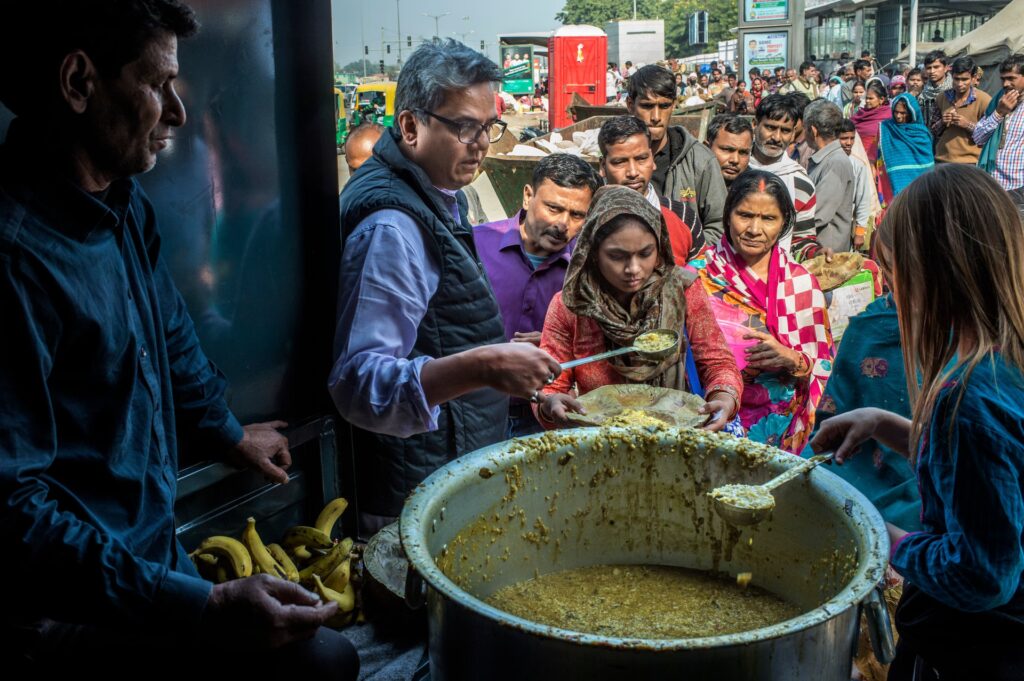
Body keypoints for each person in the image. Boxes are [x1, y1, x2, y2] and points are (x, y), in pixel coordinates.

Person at [0, 1, 359, 675]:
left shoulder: (123, 204)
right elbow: (15, 516)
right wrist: (197, 605)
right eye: (159, 84)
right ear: (80, 82)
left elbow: (169, 332)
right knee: (325, 665)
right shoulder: (16, 258)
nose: (179, 113)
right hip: (72, 610)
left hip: (148, 561)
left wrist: (226, 429)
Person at [331, 41, 562, 534]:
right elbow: (359, 382)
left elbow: (440, 326)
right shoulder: (392, 225)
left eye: (488, 127)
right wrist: (484, 364)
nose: (480, 143)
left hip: (442, 475)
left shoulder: (437, 196)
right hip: (411, 499)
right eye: (463, 126)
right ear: (412, 127)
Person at [811, 164, 1024, 680]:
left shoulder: (970, 398)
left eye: (895, 272)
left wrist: (883, 536)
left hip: (976, 649)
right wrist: (887, 423)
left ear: (933, 273)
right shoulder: (1005, 359)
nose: (891, 292)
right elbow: (993, 474)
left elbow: (982, 575)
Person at [534, 185, 742, 431]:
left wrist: (724, 398)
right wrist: (549, 403)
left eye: (645, 253)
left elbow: (717, 361)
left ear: (660, 246)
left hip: (676, 437)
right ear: (592, 253)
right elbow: (550, 384)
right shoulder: (571, 305)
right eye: (617, 256)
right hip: (603, 443)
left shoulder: (682, 290)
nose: (633, 269)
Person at [700, 170, 834, 453]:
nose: (754, 229)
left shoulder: (801, 285)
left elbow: (825, 366)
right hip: (714, 416)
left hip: (782, 428)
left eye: (768, 218)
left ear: (784, 223)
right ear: (727, 215)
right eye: (745, 215)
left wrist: (792, 358)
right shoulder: (699, 276)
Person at [474, 154, 599, 438]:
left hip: (547, 413)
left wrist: (551, 340)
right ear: (528, 196)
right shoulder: (475, 245)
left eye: (577, 215)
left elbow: (598, 340)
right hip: (475, 410)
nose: (563, 224)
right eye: (553, 208)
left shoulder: (588, 268)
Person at [627, 65, 728, 242]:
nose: (656, 116)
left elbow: (720, 225)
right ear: (630, 105)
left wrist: (684, 253)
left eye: (664, 106)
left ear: (673, 106)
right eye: (647, 106)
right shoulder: (617, 160)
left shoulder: (700, 161)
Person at [597, 115, 704, 265]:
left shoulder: (683, 217)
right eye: (620, 162)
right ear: (602, 166)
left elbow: (701, 277)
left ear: (652, 160)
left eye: (641, 159)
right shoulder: (588, 220)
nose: (633, 172)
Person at [748, 94, 821, 258]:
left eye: (785, 131)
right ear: (755, 124)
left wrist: (814, 253)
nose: (776, 137)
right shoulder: (735, 170)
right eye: (770, 127)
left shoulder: (801, 184)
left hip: (777, 275)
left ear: (794, 133)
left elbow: (801, 238)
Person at [804, 99, 856, 252]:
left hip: (828, 253)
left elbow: (818, 214)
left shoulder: (835, 162)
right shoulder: (825, 159)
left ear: (813, 131)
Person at [975, 53, 1024, 191]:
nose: (1005, 84)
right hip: (993, 182)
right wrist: (999, 113)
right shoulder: (998, 101)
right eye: (1003, 79)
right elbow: (978, 138)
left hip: (1019, 185)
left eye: (1011, 78)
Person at [930, 56, 991, 165]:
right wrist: (942, 122)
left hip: (970, 162)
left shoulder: (984, 100)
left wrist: (967, 124)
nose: (959, 84)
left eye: (964, 79)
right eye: (956, 79)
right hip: (942, 160)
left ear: (973, 78)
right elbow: (932, 130)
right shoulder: (942, 97)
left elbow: (989, 133)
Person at [877, 94, 935, 207]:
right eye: (896, 112)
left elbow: (927, 165)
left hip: (920, 187)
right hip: (893, 185)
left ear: (912, 113)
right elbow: (879, 156)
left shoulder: (922, 134)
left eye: (903, 113)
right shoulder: (886, 129)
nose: (898, 116)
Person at [838, 119, 875, 250]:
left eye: (851, 138)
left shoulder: (857, 165)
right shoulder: (827, 162)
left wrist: (860, 232)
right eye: (843, 138)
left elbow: (863, 199)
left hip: (847, 225)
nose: (848, 143)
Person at [706, 114, 753, 188]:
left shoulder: (755, 189)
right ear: (706, 147)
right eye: (727, 150)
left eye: (743, 153)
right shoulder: (688, 179)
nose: (735, 160)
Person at [851, 80, 891, 164]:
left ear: (881, 99)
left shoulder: (888, 116)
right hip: (858, 158)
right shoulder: (860, 114)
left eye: (871, 98)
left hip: (880, 161)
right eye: (866, 98)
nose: (867, 101)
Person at [918, 50, 951, 137]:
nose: (932, 71)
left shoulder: (954, 91)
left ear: (946, 68)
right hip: (927, 140)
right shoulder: (922, 94)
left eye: (936, 67)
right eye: (929, 68)